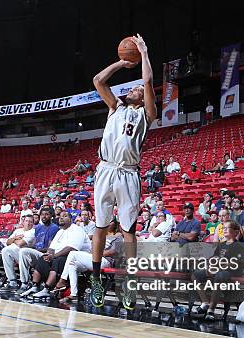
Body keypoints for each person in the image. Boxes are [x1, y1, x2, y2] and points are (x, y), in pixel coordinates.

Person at [89, 34, 156, 309]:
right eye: (134, 88)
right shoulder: (115, 107)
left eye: (138, 90)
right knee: (101, 226)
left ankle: (129, 283)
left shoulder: (146, 114)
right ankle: (95, 280)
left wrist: (143, 52)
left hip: (128, 173)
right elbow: (98, 81)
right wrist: (121, 62)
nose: (136, 88)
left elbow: (149, 80)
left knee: (128, 231)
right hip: (106, 170)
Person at [20, 211, 91, 299]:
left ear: (71, 220)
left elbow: (71, 248)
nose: (61, 218)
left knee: (58, 260)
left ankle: (46, 289)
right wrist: (49, 255)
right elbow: (51, 248)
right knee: (43, 258)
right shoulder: (60, 231)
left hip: (78, 260)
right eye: (60, 216)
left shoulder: (77, 229)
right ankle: (35, 286)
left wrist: (53, 256)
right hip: (61, 257)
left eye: (65, 216)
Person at [54, 219, 124, 303]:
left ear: (114, 223)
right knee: (72, 264)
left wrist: (98, 253)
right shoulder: (99, 234)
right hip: (93, 259)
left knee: (72, 253)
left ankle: (62, 281)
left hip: (105, 261)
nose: (108, 223)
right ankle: (74, 294)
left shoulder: (118, 236)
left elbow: (115, 251)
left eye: (110, 221)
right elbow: (91, 248)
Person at [192, 220, 244, 321]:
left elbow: (240, 263)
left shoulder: (238, 246)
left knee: (219, 276)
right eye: (223, 228)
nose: (224, 230)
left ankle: (211, 310)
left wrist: (220, 265)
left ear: (235, 232)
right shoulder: (221, 244)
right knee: (195, 274)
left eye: (227, 228)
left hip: (231, 272)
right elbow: (214, 258)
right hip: (217, 269)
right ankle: (205, 303)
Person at [0, 215, 35, 291]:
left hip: (23, 255)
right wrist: (15, 238)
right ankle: (11, 282)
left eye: (30, 221)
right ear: (23, 222)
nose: (28, 223)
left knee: (6, 250)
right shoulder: (18, 231)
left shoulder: (32, 232)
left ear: (33, 223)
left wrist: (13, 240)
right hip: (10, 252)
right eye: (27, 221)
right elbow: (7, 242)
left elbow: (20, 244)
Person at [16, 208, 59, 292]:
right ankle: (15, 281)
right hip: (37, 253)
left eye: (47, 214)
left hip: (45, 254)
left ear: (51, 216)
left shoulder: (54, 228)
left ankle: (25, 282)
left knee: (24, 251)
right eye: (42, 214)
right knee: (21, 250)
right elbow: (35, 243)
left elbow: (50, 248)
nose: (44, 216)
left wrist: (32, 249)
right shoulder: (38, 228)